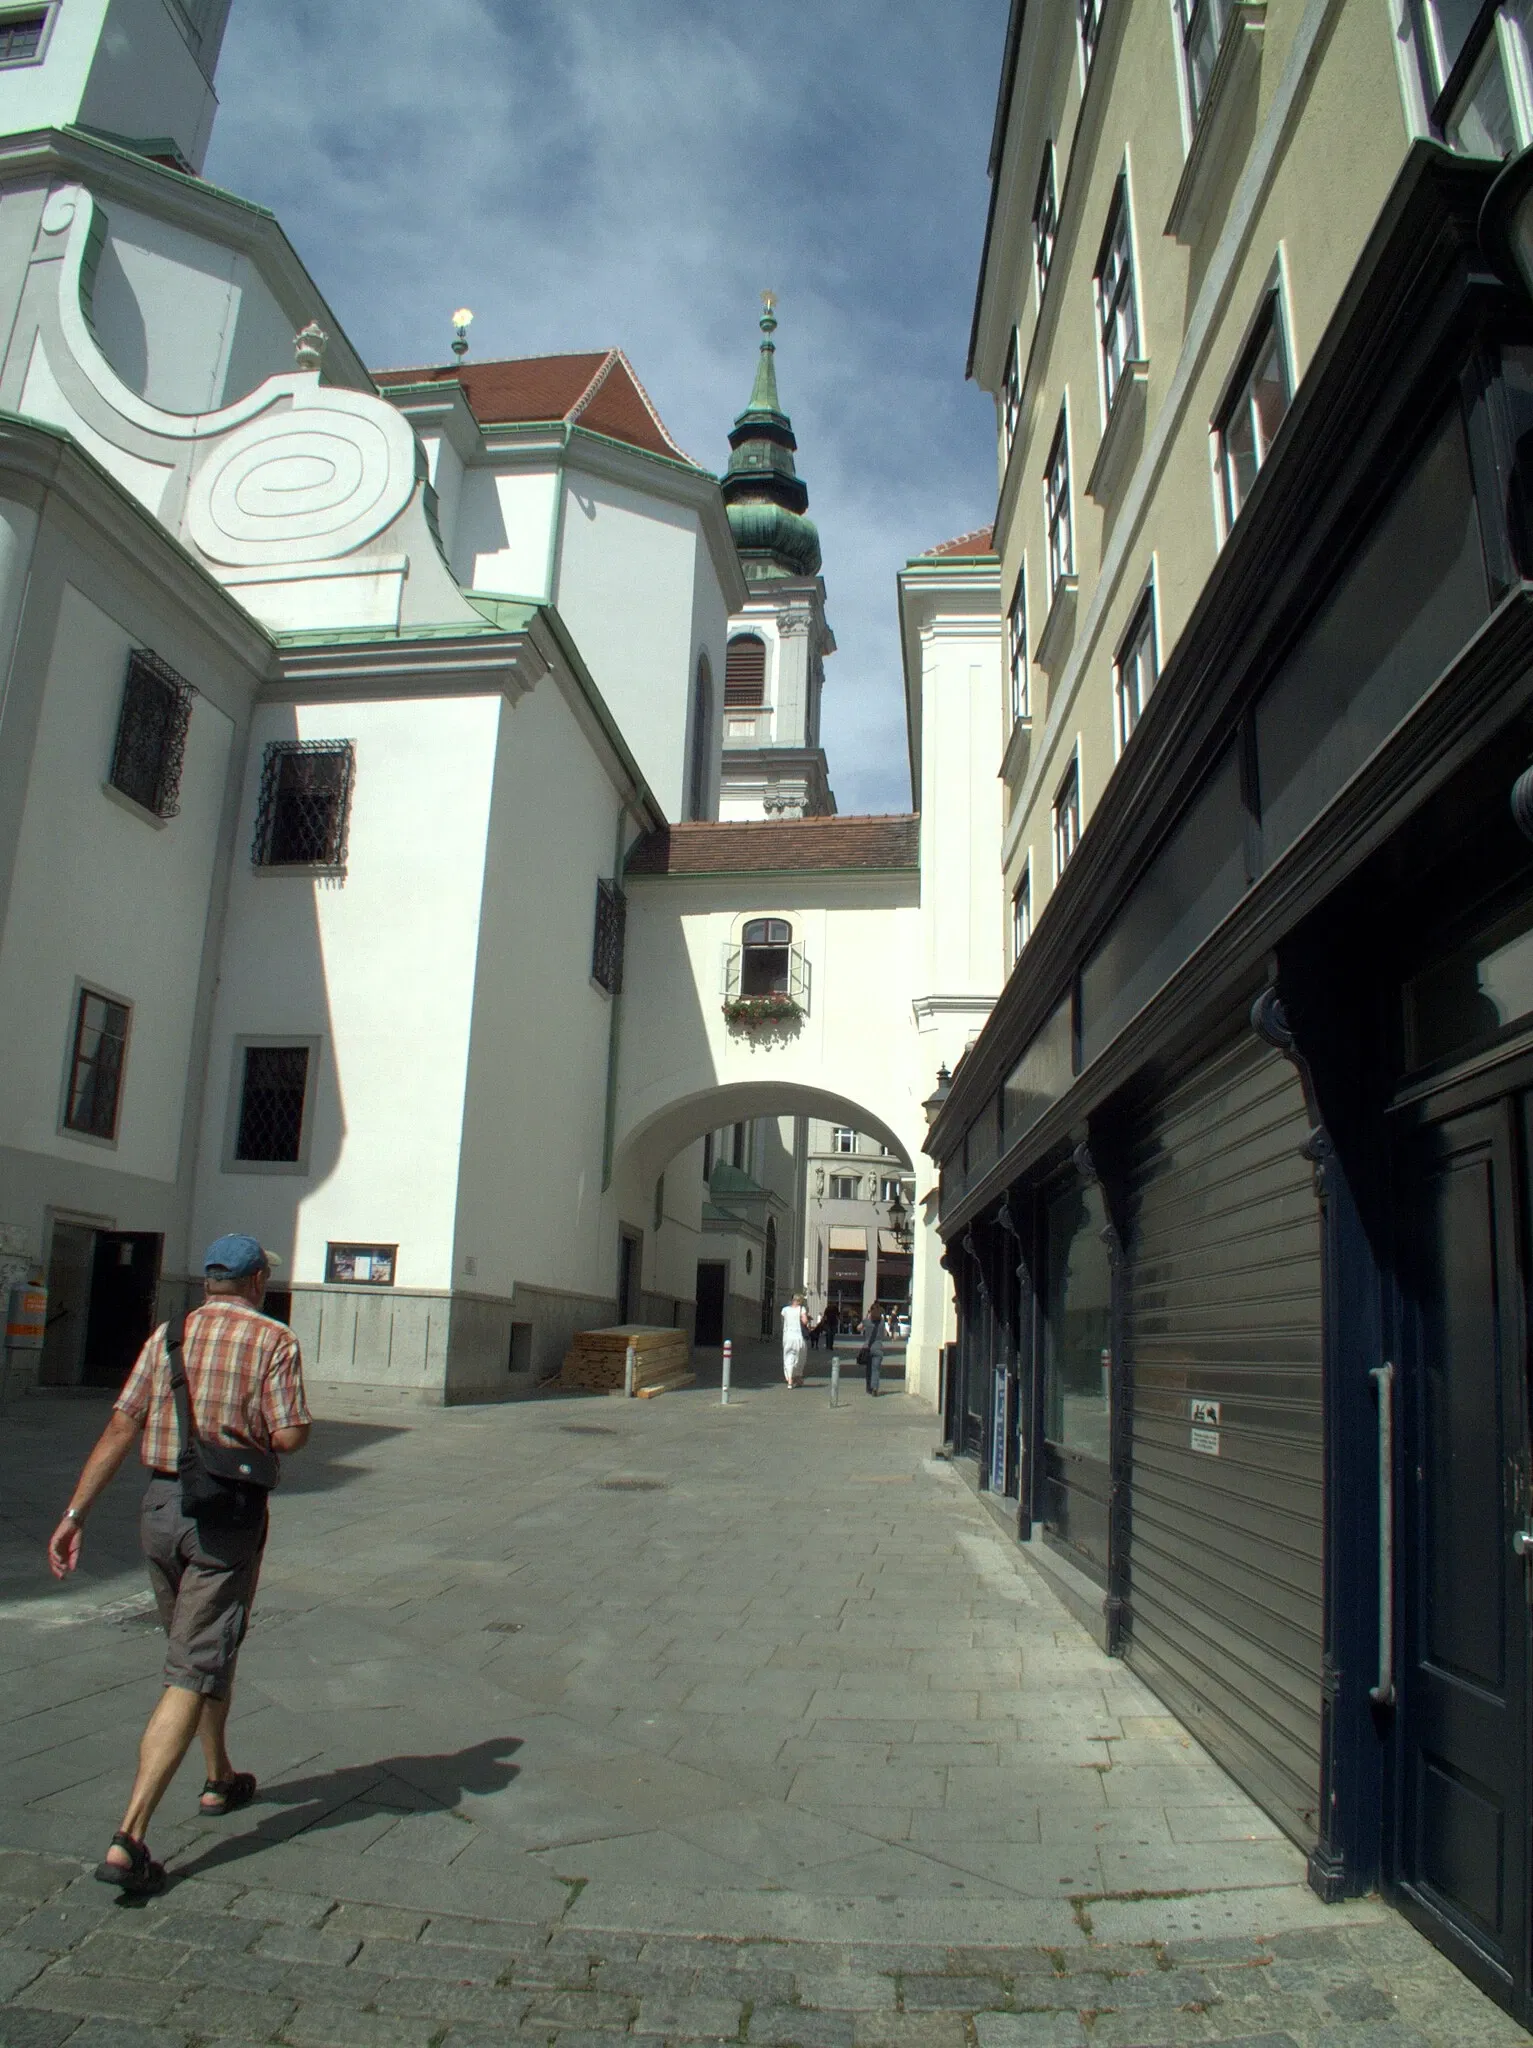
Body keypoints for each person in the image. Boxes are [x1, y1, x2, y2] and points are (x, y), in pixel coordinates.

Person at [46, 1235, 311, 1897]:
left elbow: (120, 1425)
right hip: (228, 1515)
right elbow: (287, 1436)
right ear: (254, 1281)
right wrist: (268, 1424)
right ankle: (129, 1836)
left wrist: (75, 1513)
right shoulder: (274, 1340)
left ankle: (220, 1776)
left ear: (208, 1282)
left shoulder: (168, 1336)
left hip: (161, 1509)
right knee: (193, 1666)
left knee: (200, 1647)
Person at [780, 1291, 810, 1387]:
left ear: (792, 1300)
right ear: (800, 1301)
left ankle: (789, 1381)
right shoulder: (802, 1309)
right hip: (798, 1337)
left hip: (787, 1337)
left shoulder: (785, 1310)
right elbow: (805, 1322)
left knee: (788, 1357)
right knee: (799, 1358)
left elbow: (782, 1322)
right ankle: (798, 1377)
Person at [860, 1303, 885, 1397]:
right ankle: (875, 1387)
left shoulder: (867, 1321)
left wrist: (867, 1315)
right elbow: (885, 1334)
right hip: (878, 1348)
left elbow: (858, 1328)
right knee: (876, 1370)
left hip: (868, 1348)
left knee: (869, 1369)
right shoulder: (882, 1322)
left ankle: (868, 1387)